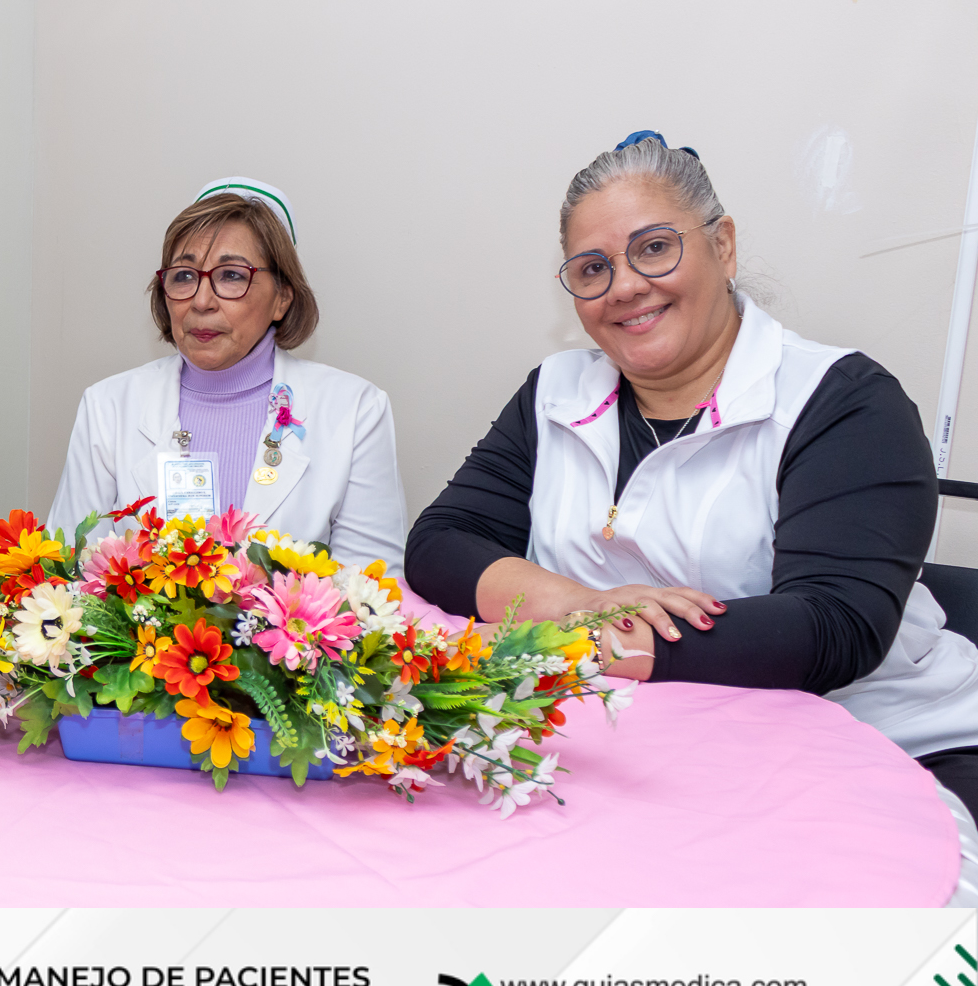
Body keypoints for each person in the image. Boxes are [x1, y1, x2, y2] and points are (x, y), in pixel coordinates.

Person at [405, 130, 978, 822]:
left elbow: (830, 627)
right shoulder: (554, 393)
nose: (624, 287)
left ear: (723, 245)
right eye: (592, 268)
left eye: (654, 248)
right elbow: (440, 542)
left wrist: (586, 640)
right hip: (660, 747)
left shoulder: (841, 402)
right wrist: (578, 605)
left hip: (890, 747)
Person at [48, 178, 407, 566]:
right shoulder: (108, 406)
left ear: (282, 298)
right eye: (184, 276)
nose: (201, 301)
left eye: (232, 275)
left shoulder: (355, 410)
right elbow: (68, 573)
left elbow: (372, 587)